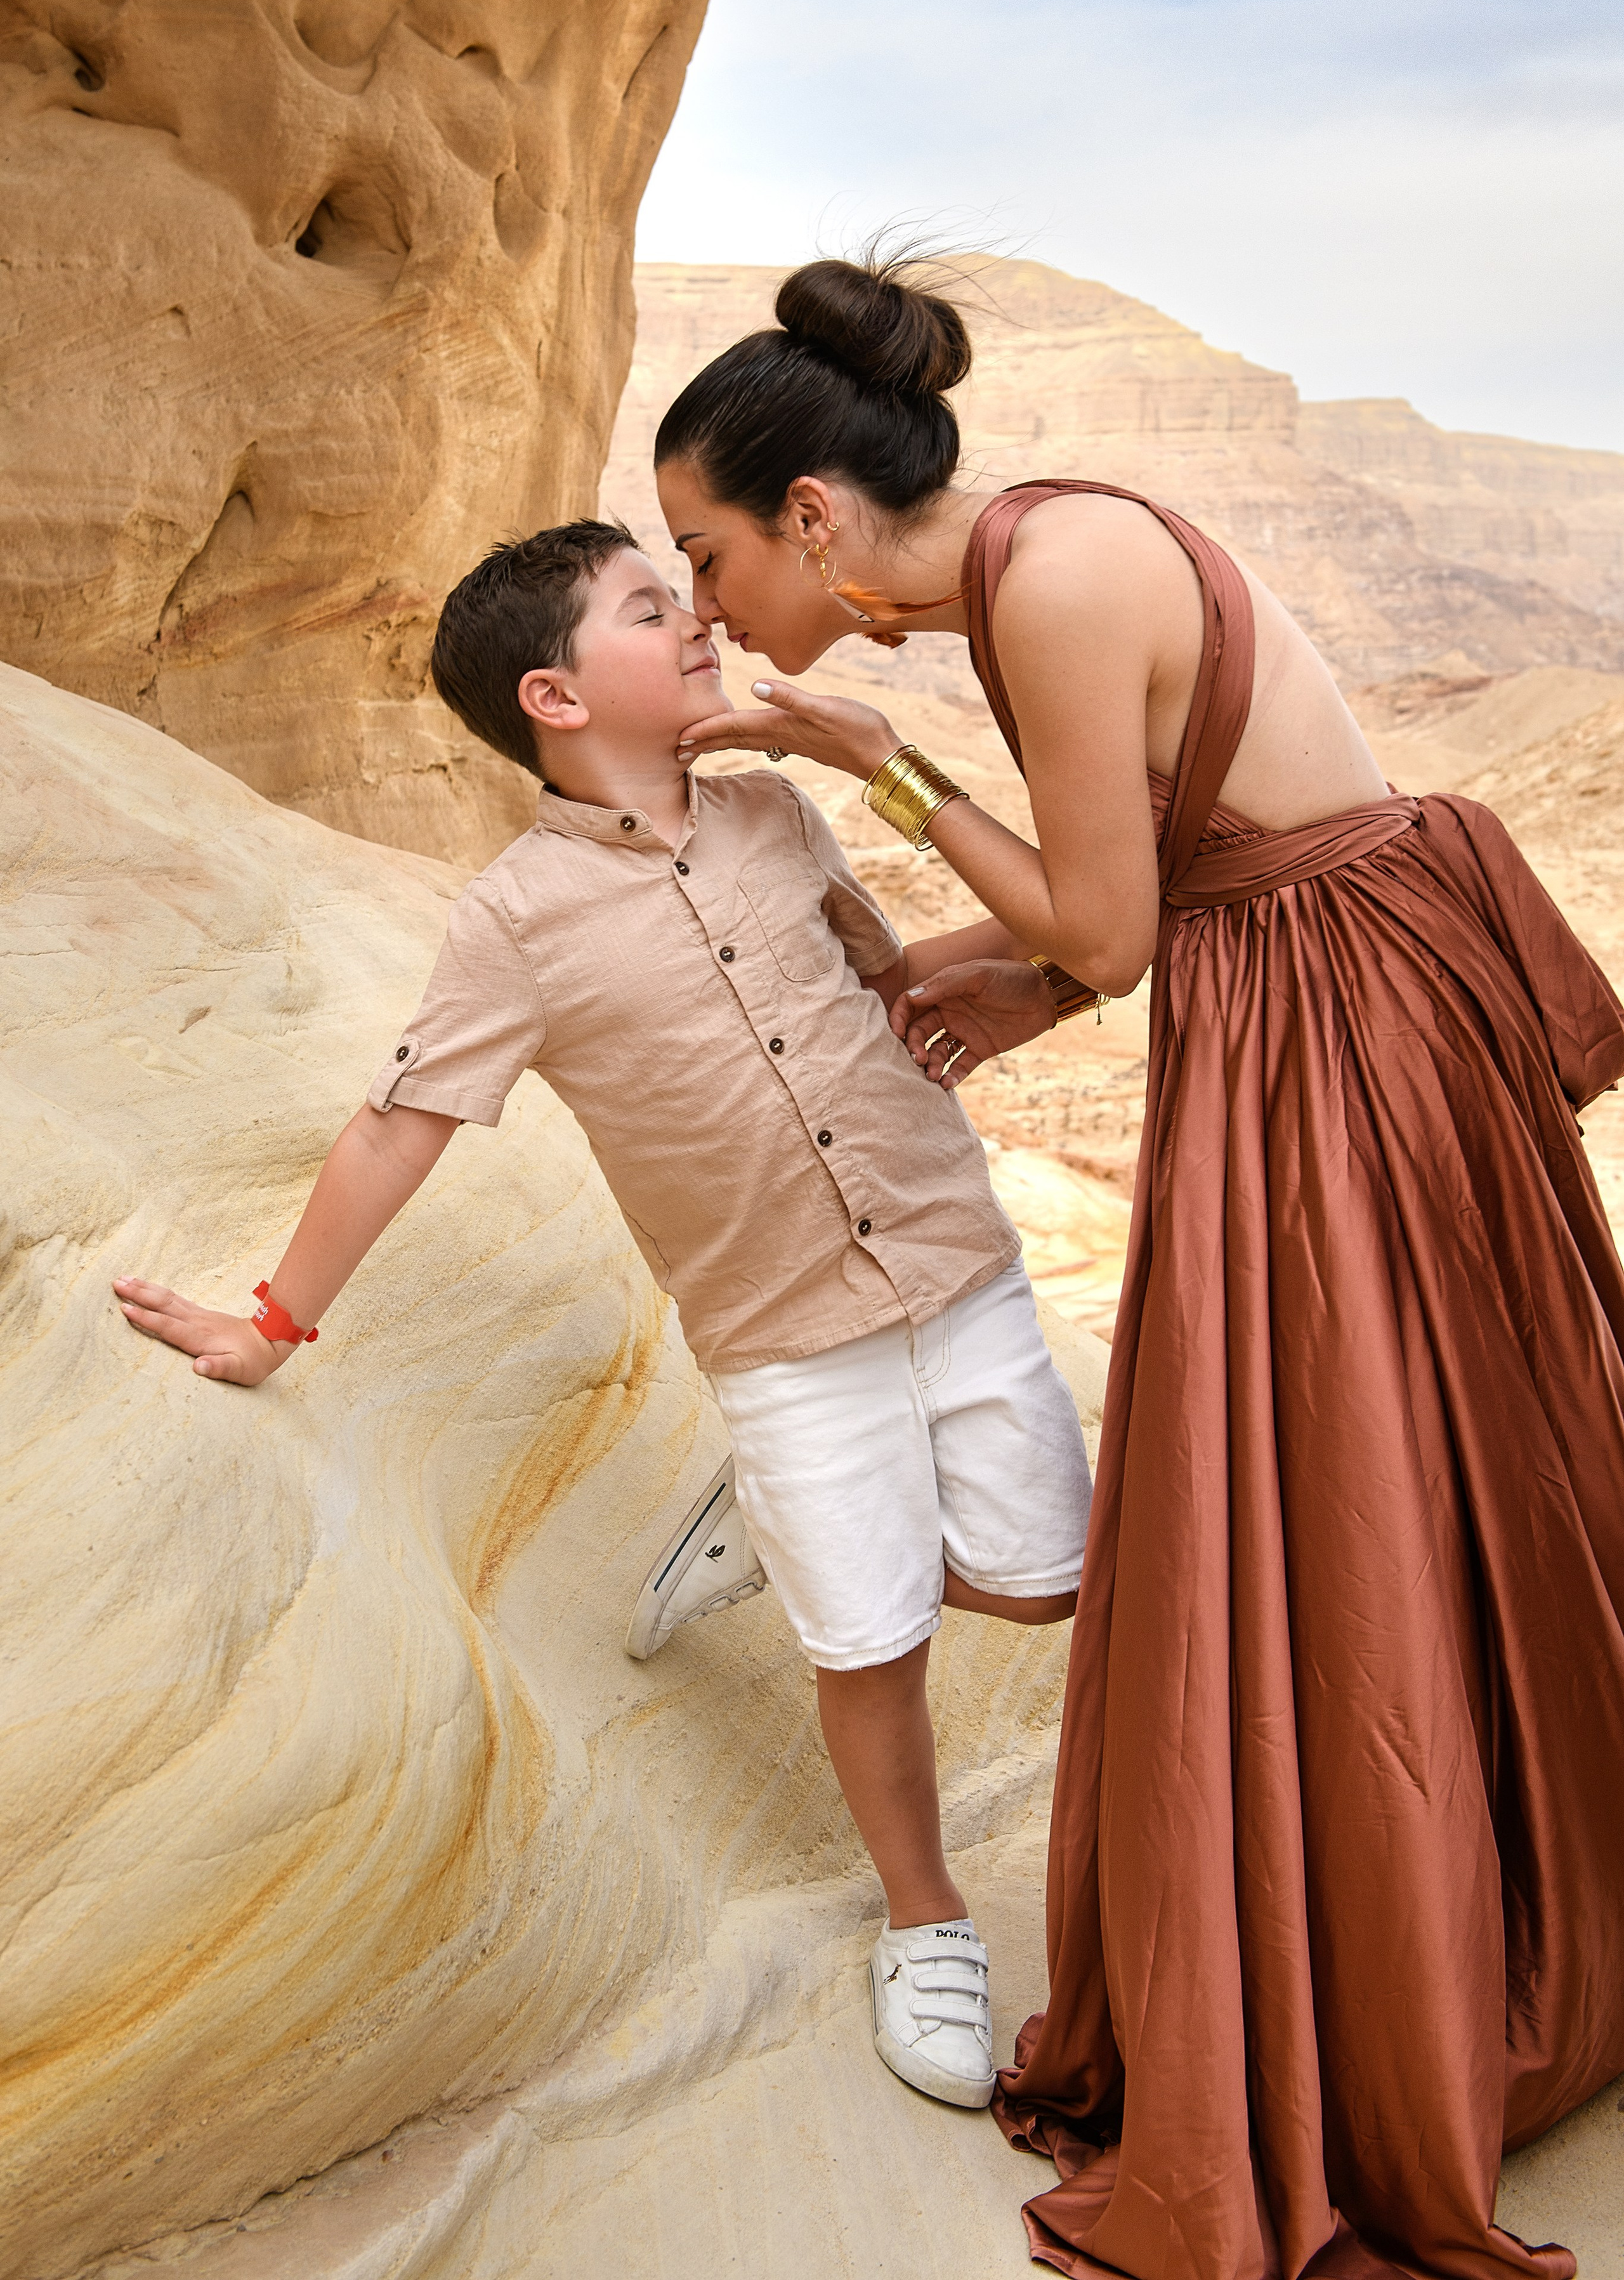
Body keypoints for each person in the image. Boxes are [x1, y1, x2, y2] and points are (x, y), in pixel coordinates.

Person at [655, 251, 1624, 2280]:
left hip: (1347, 1025)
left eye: (709, 555)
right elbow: (1151, 902)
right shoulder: (1030, 559)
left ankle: (1432, 1982)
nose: (712, 609)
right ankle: (1477, 1921)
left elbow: (1112, 928)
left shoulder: (1053, 580)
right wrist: (1010, 982)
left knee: (1345, 1488)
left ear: (812, 519)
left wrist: (858, 756)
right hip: (1312, 989)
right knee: (1403, 1477)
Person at [112, 518, 1093, 2116]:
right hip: (781, 1332)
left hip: (953, 1258)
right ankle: (922, 1919)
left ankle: (770, 1530)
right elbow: (398, 1122)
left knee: (1046, 1585)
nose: (699, 617)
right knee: (872, 1638)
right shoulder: (513, 919)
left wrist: (1056, 964)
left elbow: (882, 978)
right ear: (555, 695)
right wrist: (267, 1327)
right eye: (655, 608)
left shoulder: (778, 812)